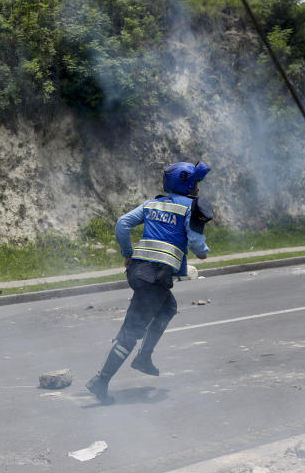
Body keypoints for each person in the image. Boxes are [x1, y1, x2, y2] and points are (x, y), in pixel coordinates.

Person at [85, 161, 212, 404]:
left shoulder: (151, 203)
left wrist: (127, 252)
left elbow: (123, 223)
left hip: (138, 271)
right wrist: (203, 251)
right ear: (186, 183)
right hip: (156, 276)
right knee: (131, 332)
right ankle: (100, 380)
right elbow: (196, 243)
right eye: (195, 183)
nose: (197, 188)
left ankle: (144, 357)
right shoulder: (189, 208)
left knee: (168, 308)